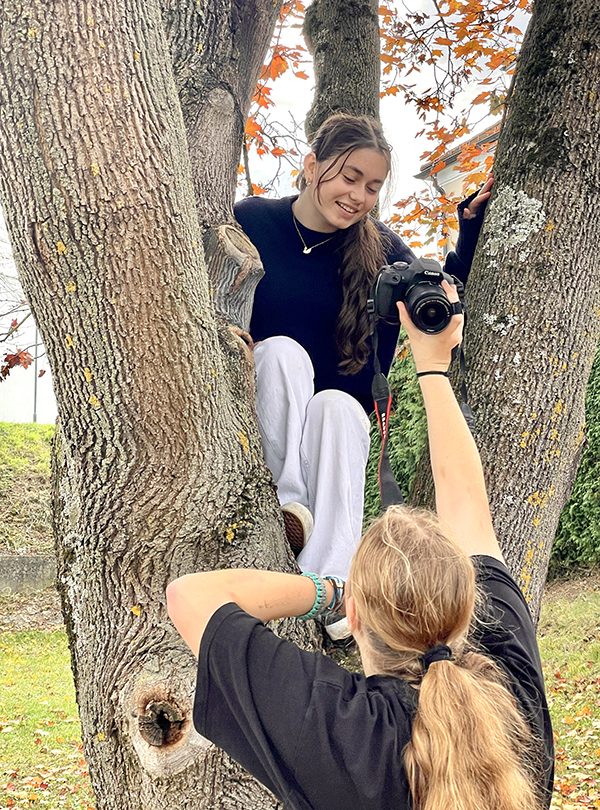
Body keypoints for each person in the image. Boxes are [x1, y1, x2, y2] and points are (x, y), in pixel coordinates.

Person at [166, 287, 554, 810]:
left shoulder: (344, 733)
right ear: (469, 604)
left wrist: (327, 591)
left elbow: (190, 595)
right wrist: (434, 369)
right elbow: (469, 507)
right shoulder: (509, 692)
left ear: (357, 611)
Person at [235, 114, 493, 607]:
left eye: (372, 187)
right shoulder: (252, 220)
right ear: (312, 166)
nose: (359, 195)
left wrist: (470, 232)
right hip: (264, 402)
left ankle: (332, 588)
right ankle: (289, 505)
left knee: (335, 405)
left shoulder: (382, 250)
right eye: (350, 177)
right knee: (283, 352)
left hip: (339, 420)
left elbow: (437, 292)